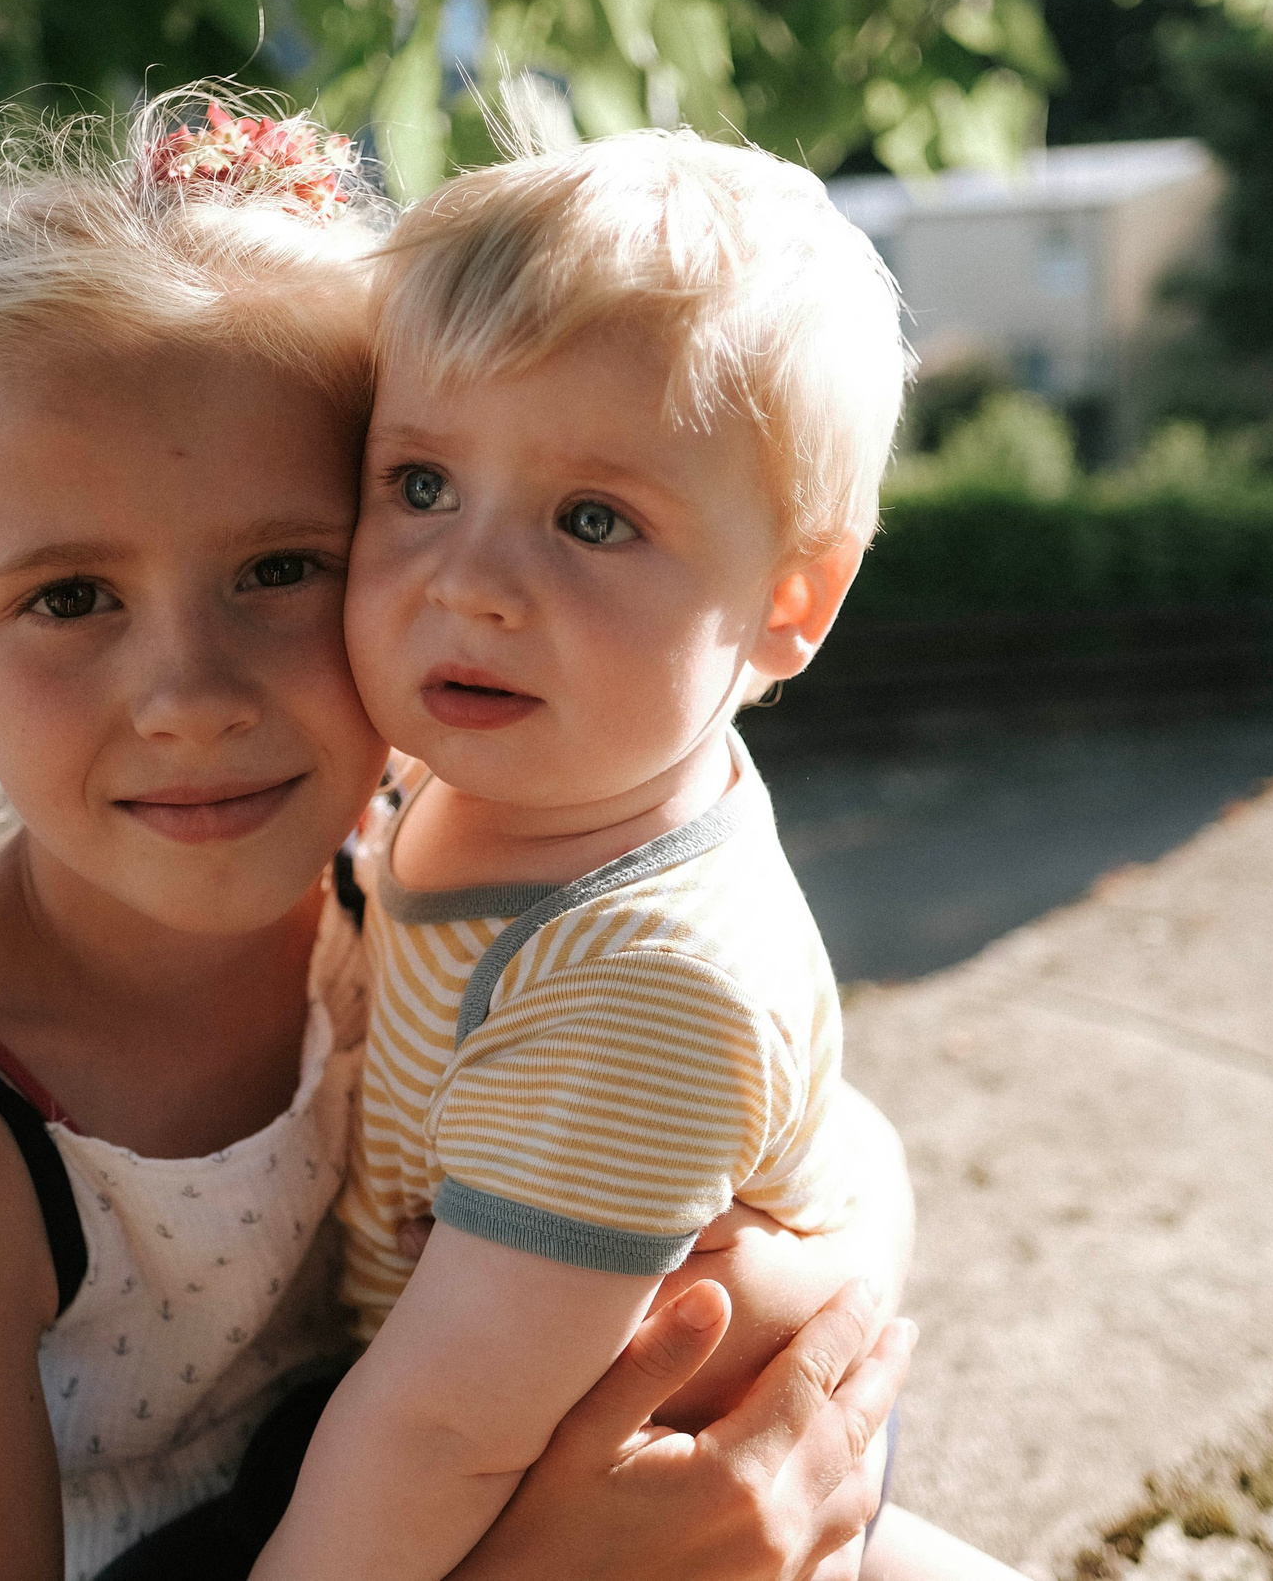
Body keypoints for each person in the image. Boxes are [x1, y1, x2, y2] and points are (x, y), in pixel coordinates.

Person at [0, 92, 915, 1581]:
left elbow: (789, 1100)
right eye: (70, 598)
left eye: (281, 566)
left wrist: (814, 1269)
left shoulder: (422, 856)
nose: (191, 699)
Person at [246, 130, 1016, 1581]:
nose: (467, 583)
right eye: (417, 485)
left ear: (790, 602)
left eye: (593, 519)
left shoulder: (634, 971)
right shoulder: (545, 770)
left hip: (621, 1506)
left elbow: (435, 1433)